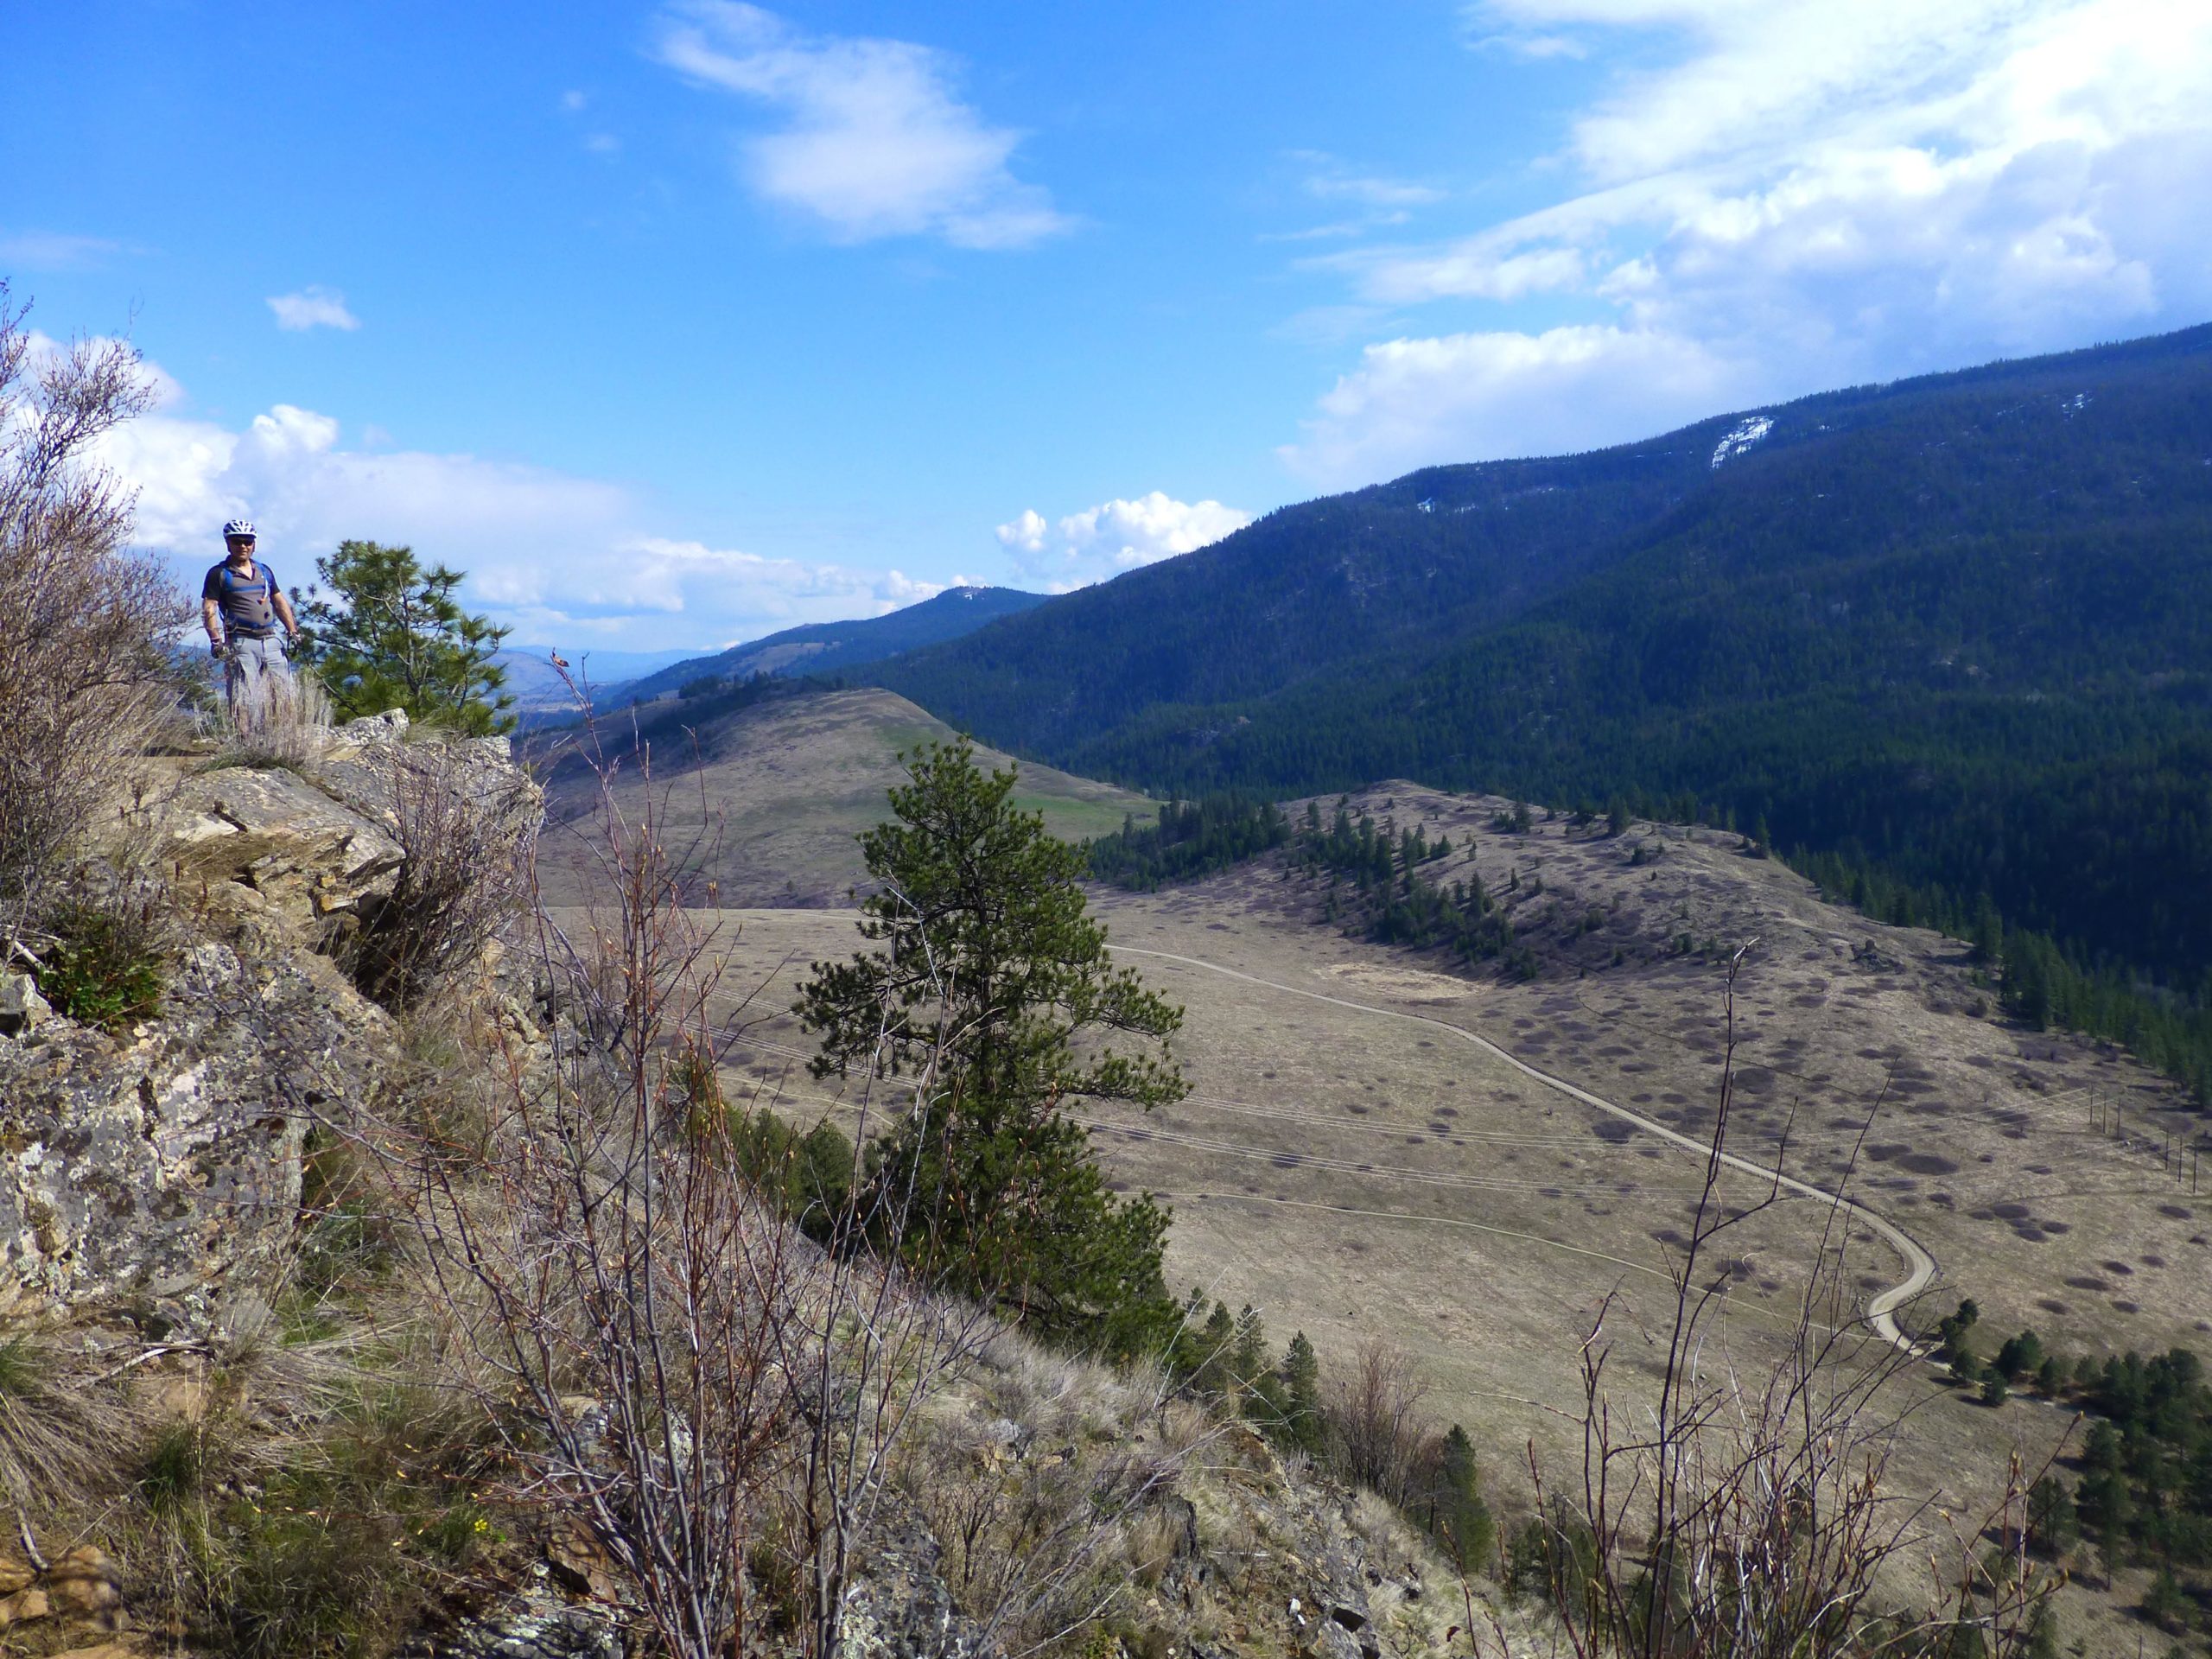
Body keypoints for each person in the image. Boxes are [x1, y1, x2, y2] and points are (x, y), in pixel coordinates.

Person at [200, 518, 301, 728]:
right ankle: (244, 741)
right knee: (242, 695)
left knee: (282, 693)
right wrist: (216, 640)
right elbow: (209, 607)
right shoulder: (219, 574)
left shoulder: (264, 571)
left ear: (254, 543)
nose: (243, 546)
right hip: (241, 641)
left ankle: (281, 736)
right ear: (228, 543)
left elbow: (279, 601)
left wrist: (293, 631)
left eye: (248, 541)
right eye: (237, 541)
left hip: (271, 638)